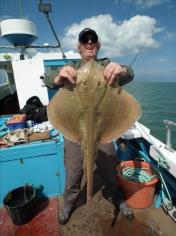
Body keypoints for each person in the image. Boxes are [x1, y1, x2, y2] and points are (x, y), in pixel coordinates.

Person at [44, 28, 134, 224]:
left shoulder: (106, 65)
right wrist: (59, 76)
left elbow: (129, 74)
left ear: (98, 45)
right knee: (74, 170)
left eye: (93, 40)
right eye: (85, 40)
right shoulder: (72, 66)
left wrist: (122, 70)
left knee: (109, 169)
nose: (90, 43)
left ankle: (117, 198)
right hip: (75, 129)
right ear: (80, 47)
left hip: (103, 129)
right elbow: (49, 78)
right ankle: (69, 203)